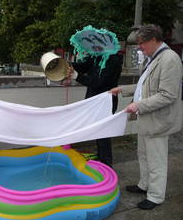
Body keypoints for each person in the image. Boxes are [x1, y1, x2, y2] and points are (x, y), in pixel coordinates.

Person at [110, 24, 182, 210]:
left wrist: (138, 105)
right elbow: (145, 87)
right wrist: (123, 90)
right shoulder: (153, 58)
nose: (139, 47)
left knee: (156, 159)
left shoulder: (170, 59)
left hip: (158, 120)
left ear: (153, 40)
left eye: (142, 43)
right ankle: (145, 185)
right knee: (143, 154)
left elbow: (168, 95)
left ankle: (156, 196)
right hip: (147, 117)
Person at [66, 51, 123, 167]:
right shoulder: (97, 56)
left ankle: (106, 163)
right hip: (94, 101)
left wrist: (76, 76)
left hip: (106, 102)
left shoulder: (114, 60)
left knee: (103, 134)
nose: (94, 47)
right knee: (98, 132)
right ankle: (101, 158)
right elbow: (84, 66)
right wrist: (67, 65)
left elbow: (97, 82)